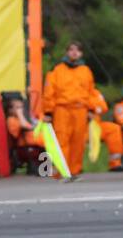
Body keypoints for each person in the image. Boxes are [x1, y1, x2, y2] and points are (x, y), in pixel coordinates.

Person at [41, 42, 96, 181]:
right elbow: (49, 92)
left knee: (78, 142)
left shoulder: (86, 71)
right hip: (62, 109)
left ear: (81, 53)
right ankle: (62, 172)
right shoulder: (57, 70)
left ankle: (74, 171)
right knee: (62, 140)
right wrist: (48, 111)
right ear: (67, 52)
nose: (74, 52)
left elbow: (91, 92)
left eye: (77, 50)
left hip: (81, 109)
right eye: (71, 50)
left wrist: (91, 109)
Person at [4, 97, 44, 175]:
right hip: (24, 147)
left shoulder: (23, 118)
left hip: (38, 144)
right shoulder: (11, 119)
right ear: (10, 110)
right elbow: (26, 126)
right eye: (18, 108)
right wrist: (20, 114)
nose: (21, 109)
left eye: (22, 107)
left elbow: (36, 124)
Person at [91, 88, 123, 172]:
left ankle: (115, 164)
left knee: (113, 129)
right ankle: (71, 168)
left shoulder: (94, 92)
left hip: (94, 126)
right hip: (78, 127)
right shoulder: (70, 90)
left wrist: (91, 110)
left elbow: (103, 107)